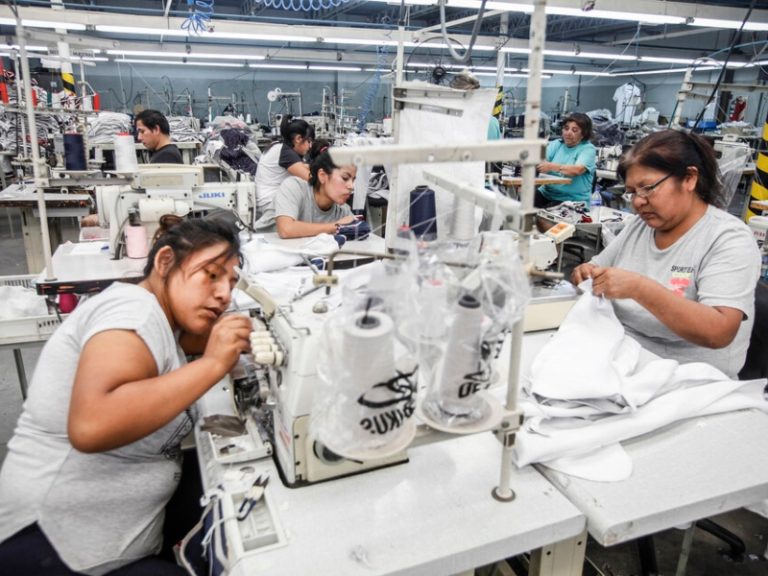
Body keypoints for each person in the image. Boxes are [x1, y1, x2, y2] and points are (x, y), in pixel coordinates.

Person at [0, 216, 252, 575]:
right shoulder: (133, 310)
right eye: (211, 275)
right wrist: (213, 364)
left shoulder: (159, 319)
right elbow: (92, 425)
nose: (225, 294)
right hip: (55, 546)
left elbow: (186, 343)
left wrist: (241, 337)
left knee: (233, 481)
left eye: (231, 283)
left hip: (102, 529)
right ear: (165, 262)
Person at [571, 130, 761, 378]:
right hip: (625, 361)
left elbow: (719, 331)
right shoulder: (640, 227)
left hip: (688, 380)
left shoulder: (727, 239)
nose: (637, 202)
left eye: (648, 188)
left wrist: (639, 288)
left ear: (689, 178)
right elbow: (595, 267)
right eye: (632, 192)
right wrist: (585, 272)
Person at [272, 139, 358, 239]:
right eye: (345, 178)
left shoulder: (342, 211)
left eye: (353, 180)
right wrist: (336, 226)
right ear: (322, 176)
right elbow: (286, 229)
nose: (351, 186)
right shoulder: (294, 188)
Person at [253, 115, 314, 225]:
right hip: (270, 204)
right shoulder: (285, 153)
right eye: (308, 141)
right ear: (298, 139)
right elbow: (310, 178)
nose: (310, 146)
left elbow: (304, 167)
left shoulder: (278, 146)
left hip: (265, 200)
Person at [535, 112, 597, 208]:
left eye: (574, 130)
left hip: (572, 200)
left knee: (542, 214)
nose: (568, 133)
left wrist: (551, 166)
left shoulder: (588, 149)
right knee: (522, 205)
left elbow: (577, 170)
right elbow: (540, 161)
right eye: (566, 128)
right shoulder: (557, 144)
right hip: (547, 193)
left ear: (583, 134)